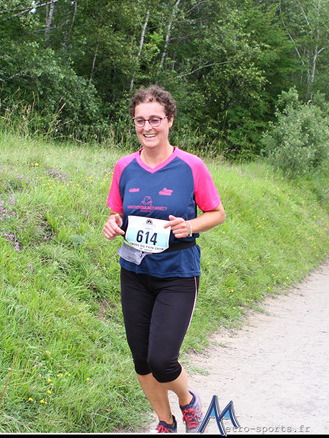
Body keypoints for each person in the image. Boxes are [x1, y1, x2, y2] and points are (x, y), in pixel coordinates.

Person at [103, 85, 225, 434]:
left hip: (177, 273)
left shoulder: (191, 166)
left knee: (162, 360)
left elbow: (217, 213)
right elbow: (117, 212)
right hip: (134, 271)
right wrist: (112, 223)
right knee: (141, 360)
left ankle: (187, 401)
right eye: (140, 120)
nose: (147, 127)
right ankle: (165, 421)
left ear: (170, 120)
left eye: (155, 119)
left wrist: (191, 225)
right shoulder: (124, 166)